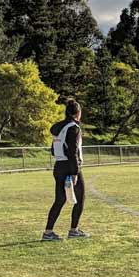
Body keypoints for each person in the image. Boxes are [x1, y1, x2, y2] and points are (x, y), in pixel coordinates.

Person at [43, 99, 88, 241]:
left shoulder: (60, 127)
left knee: (60, 199)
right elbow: (73, 151)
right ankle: (73, 230)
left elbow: (53, 149)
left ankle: (48, 232)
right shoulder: (73, 127)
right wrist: (75, 172)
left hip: (59, 165)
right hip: (70, 165)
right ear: (78, 113)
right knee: (80, 199)